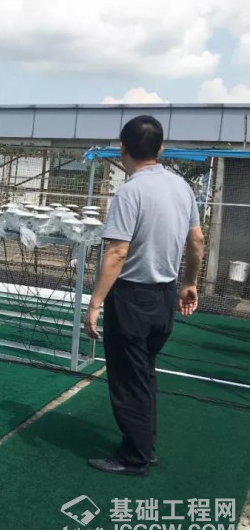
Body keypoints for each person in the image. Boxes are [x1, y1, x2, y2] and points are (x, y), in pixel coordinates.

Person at [84, 115, 204, 476]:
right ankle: (144, 446)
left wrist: (95, 303)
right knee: (144, 373)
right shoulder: (181, 187)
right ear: (161, 149)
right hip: (165, 296)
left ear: (122, 148)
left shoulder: (130, 191)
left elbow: (117, 252)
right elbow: (197, 240)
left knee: (128, 379)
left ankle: (134, 457)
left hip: (132, 298)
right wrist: (190, 282)